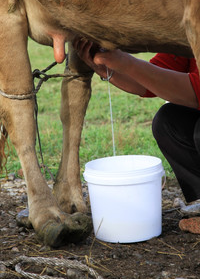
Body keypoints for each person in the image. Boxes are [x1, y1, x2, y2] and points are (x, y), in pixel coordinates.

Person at [73, 38, 200, 233]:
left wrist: (126, 62)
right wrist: (106, 68)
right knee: (167, 122)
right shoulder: (189, 38)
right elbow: (147, 82)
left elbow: (196, 91)